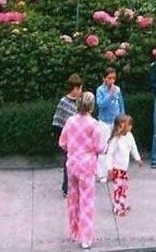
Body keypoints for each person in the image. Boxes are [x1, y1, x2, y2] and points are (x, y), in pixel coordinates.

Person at [59, 91, 104, 250]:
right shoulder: (94, 125)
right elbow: (99, 147)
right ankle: (86, 238)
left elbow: (62, 142)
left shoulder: (70, 121)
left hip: (72, 165)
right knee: (86, 202)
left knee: (73, 200)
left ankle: (75, 231)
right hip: (87, 167)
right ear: (91, 107)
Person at [52, 74, 84, 197]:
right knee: (68, 162)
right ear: (73, 88)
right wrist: (59, 137)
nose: (80, 91)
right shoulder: (64, 102)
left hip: (80, 137)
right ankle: (66, 188)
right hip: (69, 138)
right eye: (79, 88)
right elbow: (58, 119)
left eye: (81, 88)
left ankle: (79, 185)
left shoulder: (81, 101)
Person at [107, 114, 142, 216]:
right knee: (118, 188)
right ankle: (117, 207)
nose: (130, 127)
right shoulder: (116, 140)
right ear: (120, 126)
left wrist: (137, 158)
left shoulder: (129, 136)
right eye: (128, 125)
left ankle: (122, 204)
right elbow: (109, 154)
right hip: (117, 169)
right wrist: (109, 168)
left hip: (124, 169)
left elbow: (133, 148)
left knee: (124, 188)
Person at [95, 67, 125, 182]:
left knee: (116, 147)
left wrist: (123, 118)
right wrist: (110, 95)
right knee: (103, 148)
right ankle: (102, 174)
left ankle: (116, 172)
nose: (112, 81)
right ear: (104, 79)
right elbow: (101, 104)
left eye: (114, 78)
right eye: (109, 78)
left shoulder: (117, 89)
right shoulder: (100, 90)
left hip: (115, 121)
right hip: (104, 122)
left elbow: (121, 104)